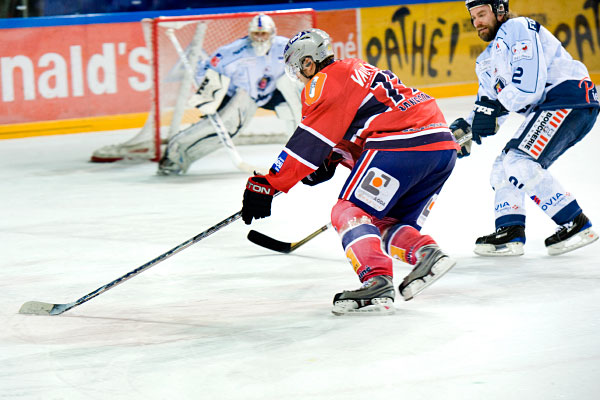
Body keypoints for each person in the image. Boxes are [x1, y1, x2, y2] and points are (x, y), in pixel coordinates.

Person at [240, 29, 460, 315]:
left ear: (308, 63)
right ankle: (427, 254)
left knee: (348, 211)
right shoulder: (356, 71)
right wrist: (329, 160)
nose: (300, 78)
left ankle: (377, 280)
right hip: (441, 147)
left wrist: (268, 184)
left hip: (401, 145)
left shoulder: (325, 80)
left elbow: (309, 142)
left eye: (298, 70)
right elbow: (350, 135)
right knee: (380, 221)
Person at [450, 0, 599, 256]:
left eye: (482, 14)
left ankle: (576, 222)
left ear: (499, 11)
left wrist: (495, 110)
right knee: (503, 167)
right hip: (552, 106)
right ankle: (510, 231)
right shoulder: (486, 60)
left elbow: (529, 88)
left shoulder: (517, 28)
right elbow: (489, 105)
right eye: (473, 18)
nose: (477, 23)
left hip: (568, 99)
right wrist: (468, 129)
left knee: (519, 161)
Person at [91, 14, 302, 175]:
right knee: (225, 130)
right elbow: (206, 67)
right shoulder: (235, 51)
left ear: (272, 33)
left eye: (263, 34)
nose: (259, 38)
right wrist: (210, 91)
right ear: (249, 34)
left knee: (294, 101)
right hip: (240, 96)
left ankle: (302, 156)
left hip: (270, 92)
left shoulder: (283, 47)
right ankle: (175, 155)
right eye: (256, 34)